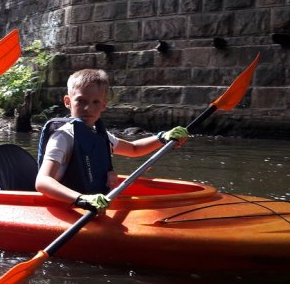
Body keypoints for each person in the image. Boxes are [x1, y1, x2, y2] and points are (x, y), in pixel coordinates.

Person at [35, 68, 188, 215]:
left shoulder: (100, 135)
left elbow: (134, 149)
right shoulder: (62, 137)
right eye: (81, 101)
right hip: (69, 206)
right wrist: (81, 199)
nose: (88, 108)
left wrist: (162, 138)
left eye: (95, 102)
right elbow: (42, 181)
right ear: (68, 102)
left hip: (95, 205)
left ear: (104, 105)